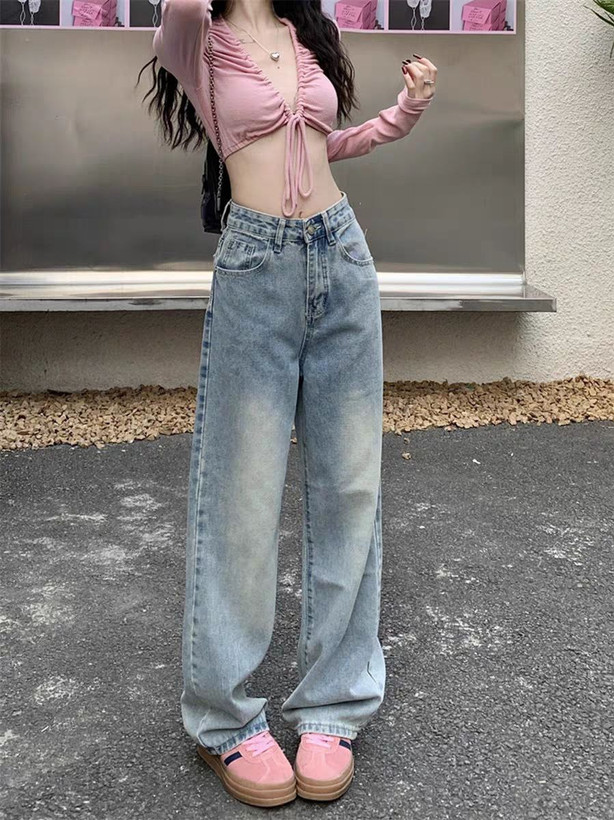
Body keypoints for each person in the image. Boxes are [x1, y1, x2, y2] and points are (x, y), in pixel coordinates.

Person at [143, 0, 436, 807]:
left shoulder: (306, 34)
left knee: (349, 485)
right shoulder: (195, 35)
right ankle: (224, 720)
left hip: (340, 252)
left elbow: (321, 146)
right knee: (240, 495)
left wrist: (405, 111)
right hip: (256, 266)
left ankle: (334, 702)